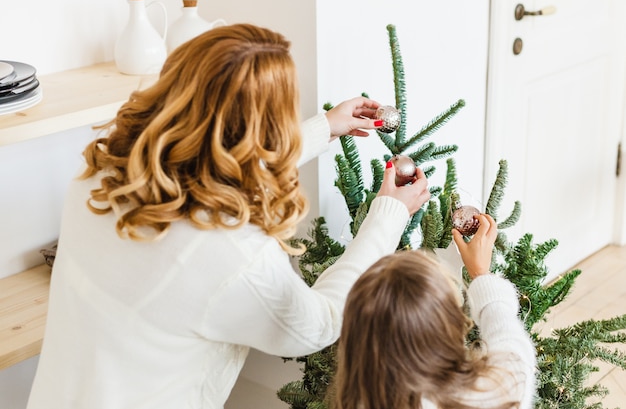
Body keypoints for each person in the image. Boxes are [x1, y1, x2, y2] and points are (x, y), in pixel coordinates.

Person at [26, 23, 431, 409]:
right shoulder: (234, 255)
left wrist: (325, 127)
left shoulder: (103, 172)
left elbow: (213, 166)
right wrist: (388, 216)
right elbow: (318, 324)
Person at [333, 214, 537, 409]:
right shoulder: (492, 395)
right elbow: (514, 348)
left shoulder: (361, 401)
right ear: (450, 325)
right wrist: (481, 274)